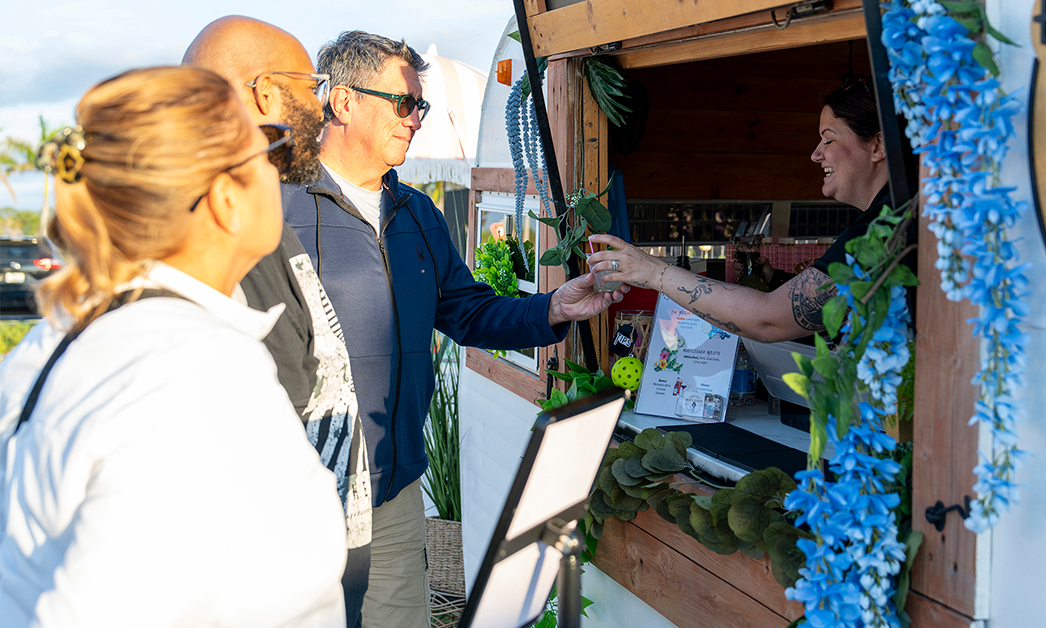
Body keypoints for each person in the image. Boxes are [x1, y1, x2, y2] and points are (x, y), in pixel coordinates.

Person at [283, 30, 622, 627]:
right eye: (403, 103)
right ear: (341, 102)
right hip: (297, 494)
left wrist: (553, 309)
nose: (415, 119)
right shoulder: (277, 210)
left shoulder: (418, 213)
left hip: (393, 492)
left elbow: (467, 311)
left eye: (420, 106)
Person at [0, 67, 347, 626]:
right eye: (269, 147)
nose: (282, 170)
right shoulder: (189, 376)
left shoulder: (71, 336)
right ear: (224, 200)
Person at [183, 17, 373, 626]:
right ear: (265, 94)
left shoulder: (263, 221)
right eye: (311, 84)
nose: (322, 105)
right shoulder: (221, 235)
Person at [588, 79, 912, 342]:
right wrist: (777, 279)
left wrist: (653, 272)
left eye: (827, 140)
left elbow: (770, 321)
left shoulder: (883, 231)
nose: (815, 155)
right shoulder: (894, 217)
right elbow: (822, 299)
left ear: (878, 145)